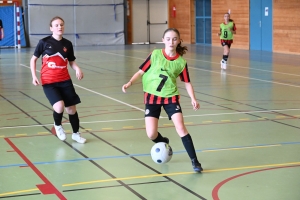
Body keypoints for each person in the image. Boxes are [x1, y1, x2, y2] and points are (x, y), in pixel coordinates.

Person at [122, 28, 203, 172]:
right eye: (168, 38)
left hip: (171, 98)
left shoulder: (181, 62)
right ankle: (163, 142)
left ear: (178, 41)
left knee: (181, 128)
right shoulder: (155, 55)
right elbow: (141, 72)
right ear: (163, 40)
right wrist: (129, 82)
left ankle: (195, 162)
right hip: (152, 98)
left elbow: (187, 82)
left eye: (174, 39)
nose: (171, 41)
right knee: (151, 134)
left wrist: (193, 99)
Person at [30, 16, 86, 144]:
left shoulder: (67, 44)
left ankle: (76, 134)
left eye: (61, 24)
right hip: (49, 82)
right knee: (59, 106)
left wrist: (77, 69)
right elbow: (33, 59)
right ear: (51, 28)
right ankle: (58, 126)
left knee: (71, 109)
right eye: (56, 25)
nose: (59, 27)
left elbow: (71, 61)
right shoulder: (43, 42)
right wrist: (34, 76)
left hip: (65, 81)